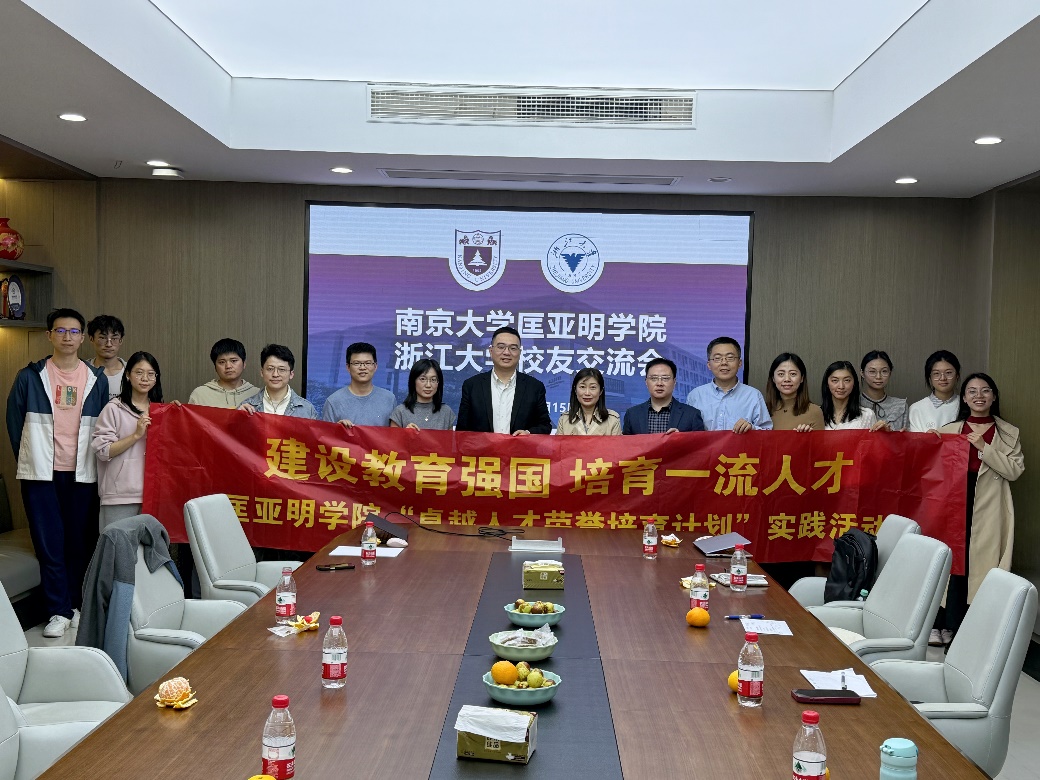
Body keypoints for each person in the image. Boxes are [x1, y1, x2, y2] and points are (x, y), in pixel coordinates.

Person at [5, 308, 108, 637]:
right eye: (60, 331)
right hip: (41, 474)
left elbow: (104, 425)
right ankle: (58, 611)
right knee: (49, 543)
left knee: (79, 542)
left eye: (74, 331)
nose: (67, 337)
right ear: (49, 335)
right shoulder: (30, 376)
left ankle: (76, 605)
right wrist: (31, 458)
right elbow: (14, 423)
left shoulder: (96, 379)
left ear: (83, 337)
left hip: (83, 472)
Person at [933, 373, 1023, 644]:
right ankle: (946, 623)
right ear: (964, 398)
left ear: (994, 396)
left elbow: (1014, 471)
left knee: (981, 563)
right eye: (972, 391)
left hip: (989, 503)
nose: (979, 396)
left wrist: (984, 448)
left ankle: (974, 630)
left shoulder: (1008, 432)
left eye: (985, 391)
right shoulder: (949, 429)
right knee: (954, 559)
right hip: (954, 502)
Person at [92, 352, 163, 530]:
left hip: (154, 494)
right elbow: (103, 451)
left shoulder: (161, 411)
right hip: (119, 496)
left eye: (151, 374)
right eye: (139, 372)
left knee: (151, 545)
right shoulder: (113, 408)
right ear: (128, 375)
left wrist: (177, 414)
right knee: (117, 544)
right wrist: (135, 436)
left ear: (156, 378)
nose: (145, 378)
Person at [456, 327, 552, 435]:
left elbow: (545, 425)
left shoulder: (534, 387)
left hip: (521, 446)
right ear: (491, 351)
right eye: (501, 347)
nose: (506, 352)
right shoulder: (472, 386)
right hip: (481, 447)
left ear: (519, 352)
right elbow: (462, 430)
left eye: (513, 348)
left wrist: (528, 433)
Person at [686, 337, 771, 433]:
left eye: (730, 358)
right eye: (717, 358)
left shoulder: (753, 395)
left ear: (740, 363)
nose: (724, 363)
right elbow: (687, 432)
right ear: (709, 365)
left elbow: (767, 431)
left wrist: (752, 428)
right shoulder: (695, 396)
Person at [321, 342, 396, 428]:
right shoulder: (333, 401)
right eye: (356, 363)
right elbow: (326, 434)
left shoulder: (389, 399)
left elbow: (394, 434)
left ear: (375, 366)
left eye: (368, 363)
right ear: (348, 367)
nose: (362, 368)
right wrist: (338, 430)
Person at [623, 357, 705, 434]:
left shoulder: (692, 415)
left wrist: (681, 439)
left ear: (674, 382)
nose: (659, 383)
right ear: (646, 382)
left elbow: (701, 444)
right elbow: (626, 443)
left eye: (665, 378)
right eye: (654, 378)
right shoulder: (632, 414)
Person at [239, 344, 317, 418]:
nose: (275, 374)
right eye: (270, 369)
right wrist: (237, 417)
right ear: (262, 372)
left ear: (291, 374)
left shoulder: (307, 409)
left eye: (281, 369)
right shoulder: (246, 406)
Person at [188, 338, 257, 408]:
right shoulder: (200, 395)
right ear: (215, 366)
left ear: (244, 363)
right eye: (222, 362)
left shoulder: (257, 394)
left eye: (233, 361)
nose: (228, 366)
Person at [821, 360, 888, 431]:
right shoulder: (817, 414)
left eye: (847, 380)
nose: (841, 386)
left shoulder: (867, 415)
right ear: (827, 383)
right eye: (835, 380)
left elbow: (874, 438)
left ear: (854, 383)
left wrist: (883, 433)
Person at [389, 359, 456, 430]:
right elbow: (393, 437)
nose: (428, 385)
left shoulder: (446, 412)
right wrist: (405, 433)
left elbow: (450, 437)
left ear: (438, 383)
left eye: (433, 380)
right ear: (413, 381)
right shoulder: (400, 412)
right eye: (423, 379)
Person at [765, 352, 824, 431]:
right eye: (781, 374)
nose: (787, 379)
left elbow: (819, 439)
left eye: (793, 374)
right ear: (773, 378)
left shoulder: (814, 411)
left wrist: (807, 436)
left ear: (802, 378)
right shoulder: (763, 410)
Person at [908, 350, 961, 432]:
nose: (943, 378)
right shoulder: (916, 408)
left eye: (948, 373)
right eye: (936, 373)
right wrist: (927, 437)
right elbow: (914, 439)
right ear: (930, 377)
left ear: (957, 375)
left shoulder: (966, 405)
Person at [556, 368, 621, 435]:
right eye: (582, 387)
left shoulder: (612, 420)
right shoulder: (564, 420)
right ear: (575, 390)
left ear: (601, 391)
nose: (587, 393)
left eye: (593, 387)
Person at [860, 350, 907, 430]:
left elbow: (907, 435)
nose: (878, 377)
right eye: (872, 371)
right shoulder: (852, 403)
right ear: (862, 373)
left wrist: (905, 434)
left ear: (890, 373)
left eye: (884, 371)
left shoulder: (900, 405)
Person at [87, 314, 127, 400]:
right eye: (102, 338)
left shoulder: (131, 372)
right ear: (91, 339)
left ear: (121, 340)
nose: (109, 344)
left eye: (114, 338)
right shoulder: (83, 370)